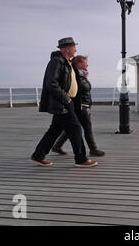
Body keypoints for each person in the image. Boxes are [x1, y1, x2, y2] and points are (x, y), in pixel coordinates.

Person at [30, 37, 97, 168]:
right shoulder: (56, 62)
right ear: (66, 48)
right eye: (73, 47)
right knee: (76, 128)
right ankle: (81, 159)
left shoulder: (67, 63)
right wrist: (66, 98)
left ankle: (38, 155)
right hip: (62, 102)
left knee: (54, 130)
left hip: (67, 102)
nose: (76, 49)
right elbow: (51, 83)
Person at [51, 55, 105, 156]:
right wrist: (79, 105)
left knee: (73, 127)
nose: (87, 64)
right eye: (85, 62)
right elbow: (75, 92)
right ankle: (93, 149)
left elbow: (86, 92)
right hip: (80, 106)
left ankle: (57, 146)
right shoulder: (75, 75)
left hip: (85, 105)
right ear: (79, 64)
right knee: (86, 127)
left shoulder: (82, 75)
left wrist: (90, 104)